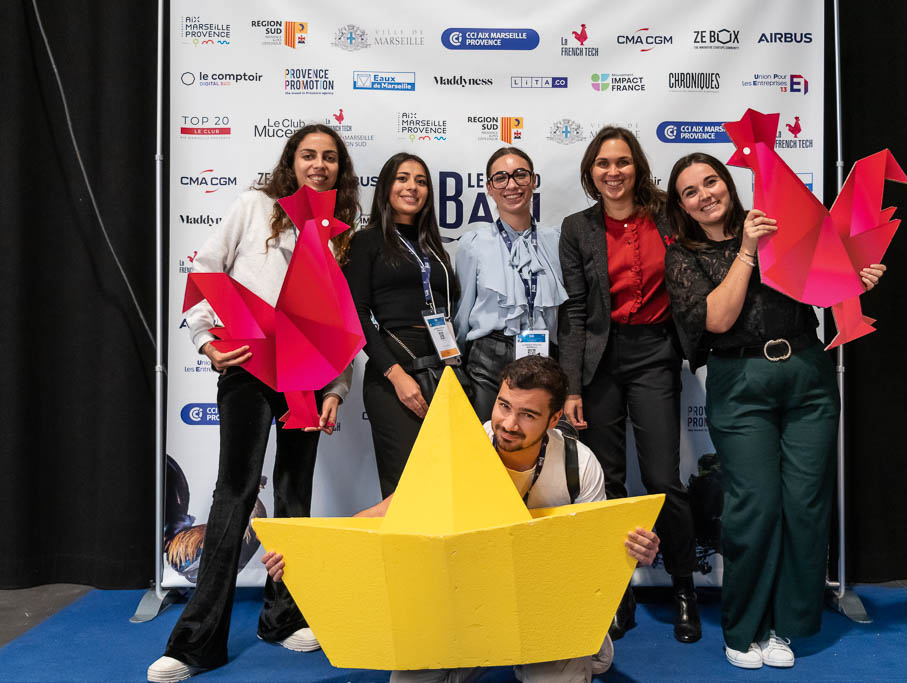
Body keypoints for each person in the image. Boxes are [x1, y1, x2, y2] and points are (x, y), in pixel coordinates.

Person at [262, 355, 660, 683]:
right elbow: (395, 507)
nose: (508, 424)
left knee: (563, 675)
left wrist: (635, 546)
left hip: (542, 606)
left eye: (528, 415)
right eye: (504, 405)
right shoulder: (463, 443)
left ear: (554, 420)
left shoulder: (579, 464)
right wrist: (308, 548)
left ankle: (576, 650)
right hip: (462, 607)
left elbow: (597, 547)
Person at [148, 124, 359, 683]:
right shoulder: (253, 205)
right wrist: (204, 340)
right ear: (292, 160)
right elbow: (206, 271)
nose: (319, 165)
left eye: (330, 158)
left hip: (309, 379)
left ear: (341, 169)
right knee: (235, 495)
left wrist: (336, 390)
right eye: (309, 155)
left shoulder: (342, 235)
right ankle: (195, 644)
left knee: (295, 495)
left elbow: (342, 322)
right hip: (248, 369)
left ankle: (281, 617)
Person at [663, 152, 886, 669]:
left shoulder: (779, 223)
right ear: (681, 206)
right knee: (755, 506)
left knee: (806, 507)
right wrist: (746, 250)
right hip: (740, 384)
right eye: (690, 191)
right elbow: (716, 320)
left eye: (710, 181)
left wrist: (856, 276)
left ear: (728, 183)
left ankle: (786, 626)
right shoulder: (685, 255)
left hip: (808, 375)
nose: (704, 195)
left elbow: (827, 281)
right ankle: (745, 628)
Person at [557, 126, 700, 643]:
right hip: (600, 360)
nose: (612, 172)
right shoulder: (577, 227)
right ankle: (618, 592)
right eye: (602, 164)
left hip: (656, 352)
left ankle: (684, 588)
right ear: (590, 172)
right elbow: (575, 311)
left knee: (664, 480)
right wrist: (570, 386)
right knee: (609, 485)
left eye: (621, 162)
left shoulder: (667, 214)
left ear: (636, 166)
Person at [344, 153, 460, 499]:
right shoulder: (366, 242)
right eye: (403, 178)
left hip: (443, 366)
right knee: (406, 489)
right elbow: (356, 313)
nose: (413, 187)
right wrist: (396, 374)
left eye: (421, 181)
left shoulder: (433, 245)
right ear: (386, 188)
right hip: (394, 369)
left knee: (444, 483)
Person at [453, 146, 567, 421]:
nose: (512, 185)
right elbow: (462, 312)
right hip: (487, 359)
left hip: (545, 358)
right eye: (501, 178)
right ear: (490, 188)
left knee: (536, 448)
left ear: (534, 181)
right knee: (486, 447)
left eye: (520, 175)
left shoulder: (558, 241)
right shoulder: (473, 244)